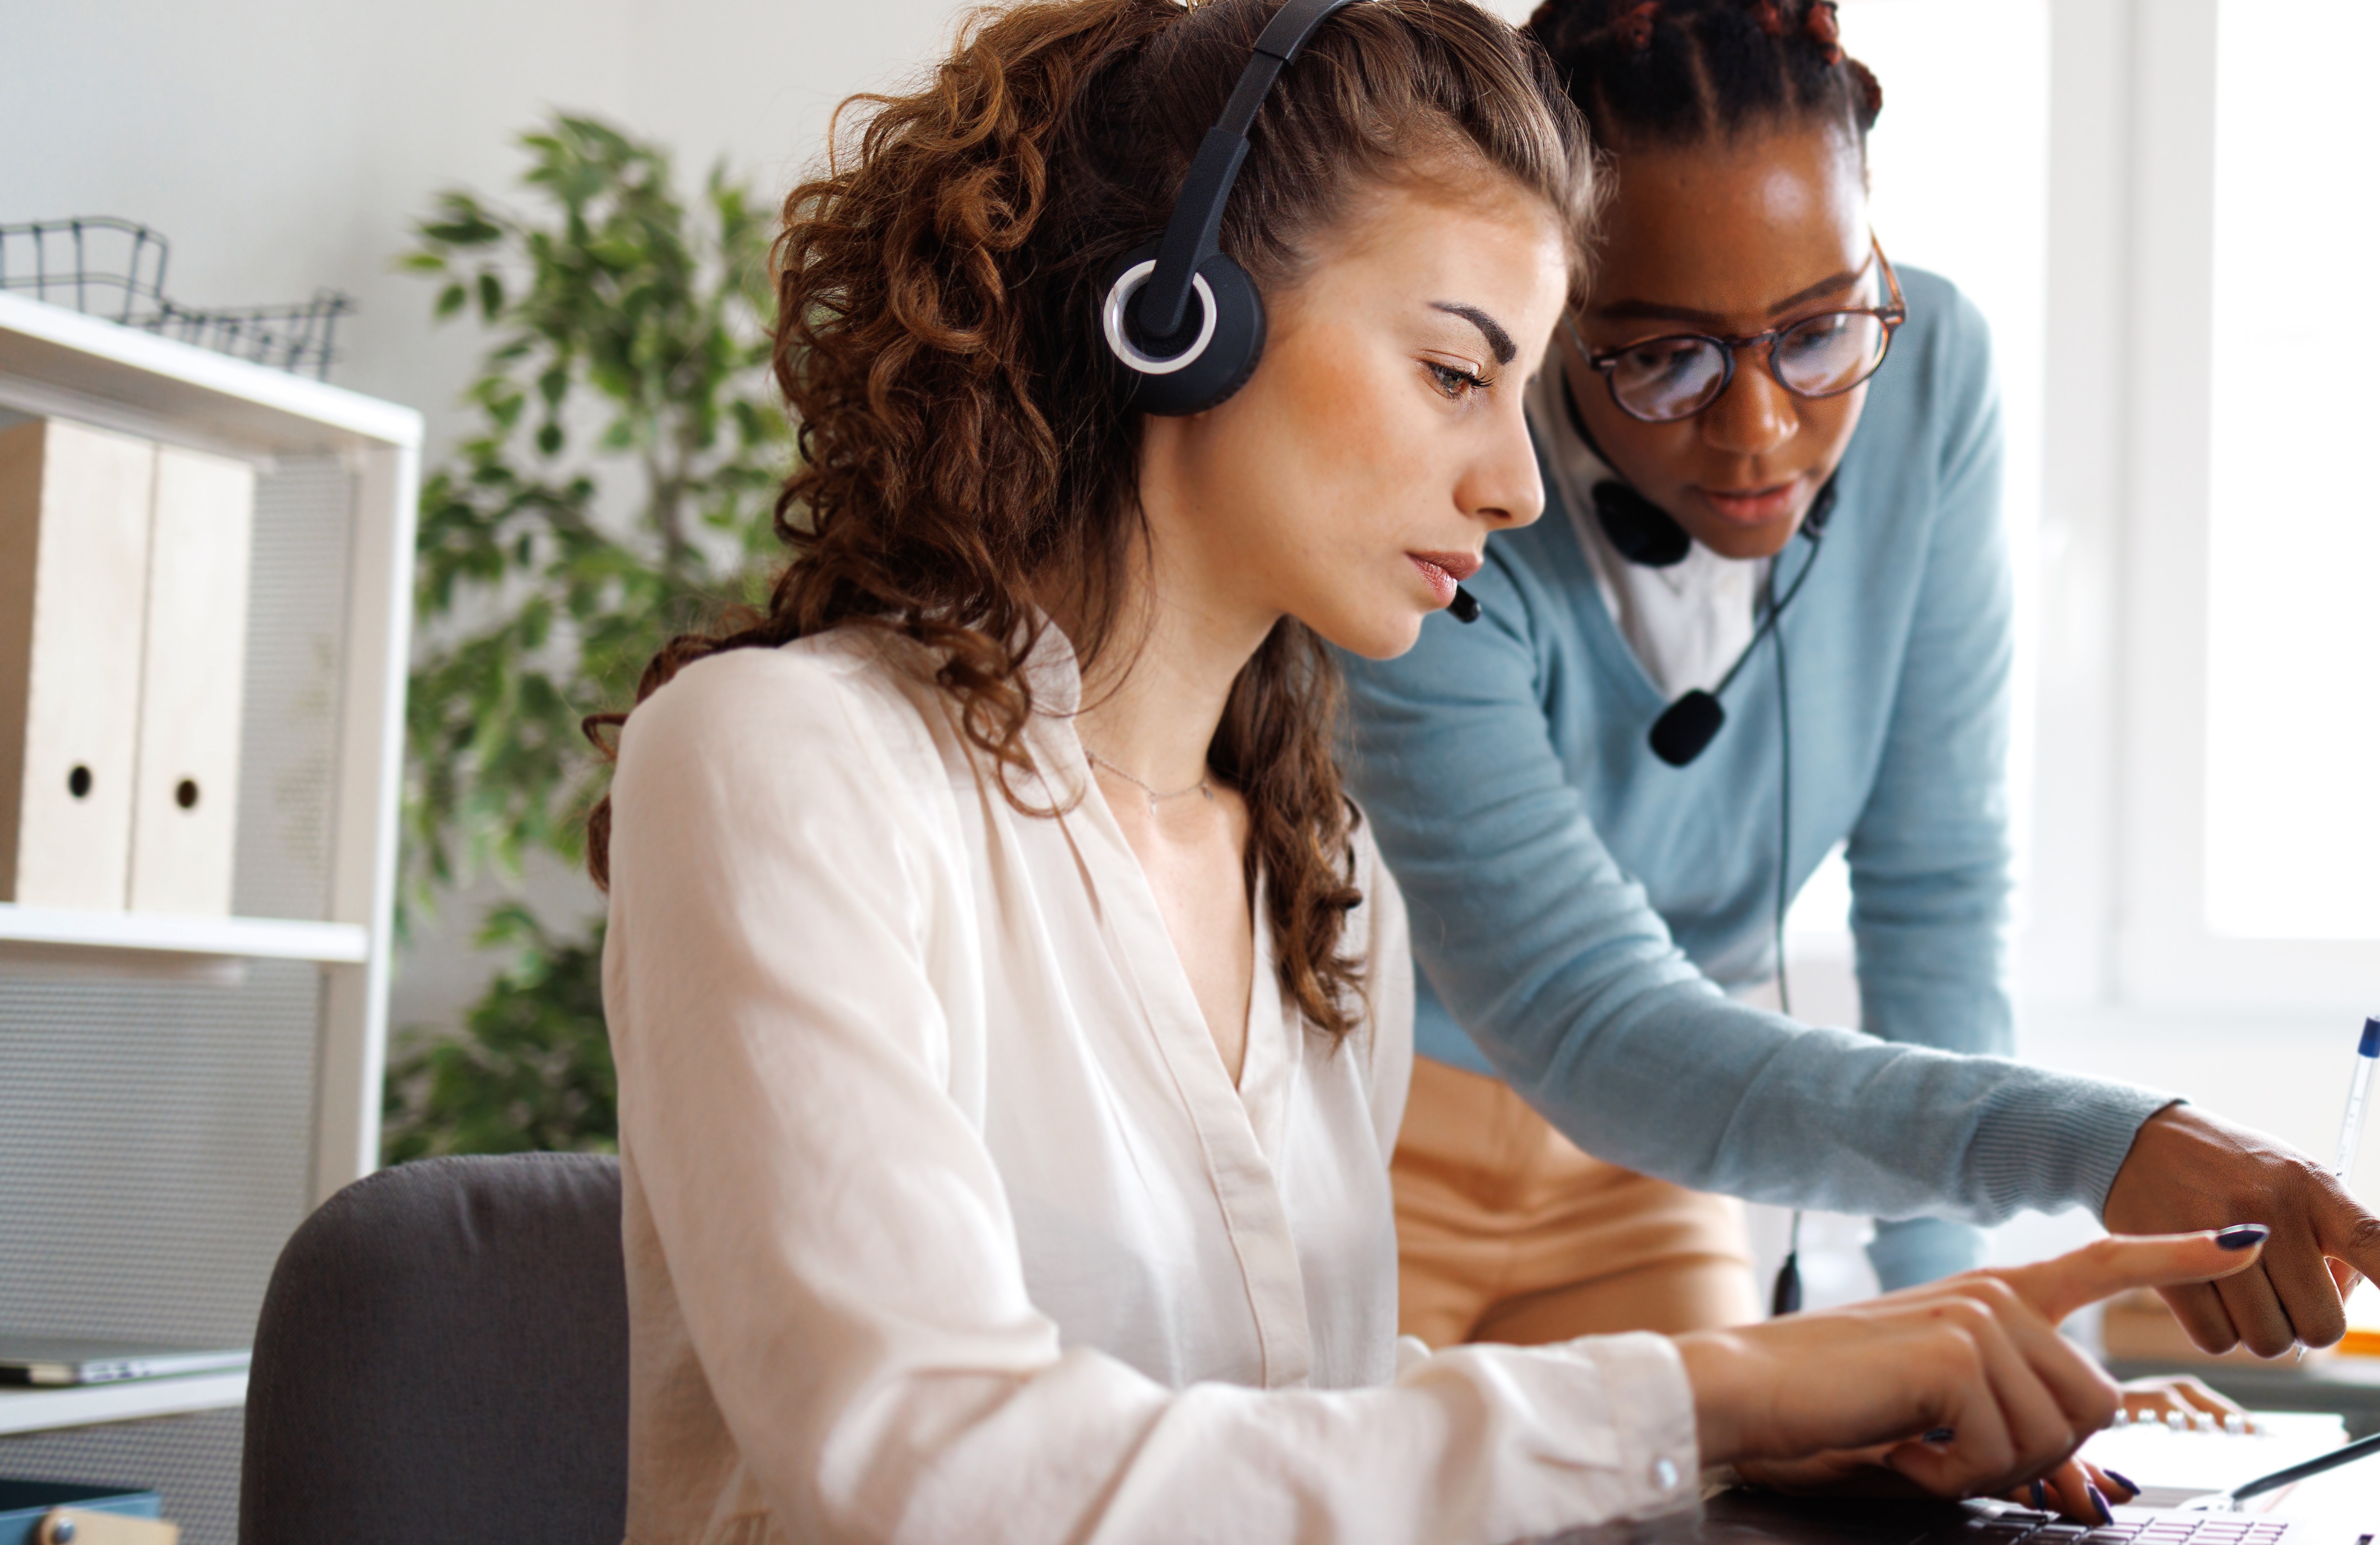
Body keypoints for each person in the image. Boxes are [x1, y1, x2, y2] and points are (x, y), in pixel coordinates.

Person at [591, 2, 2271, 1539]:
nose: (1517, 487)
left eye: (1523, 391)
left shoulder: (1311, 867)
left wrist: (1742, 1434)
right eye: (1457, 372)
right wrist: (1708, 1387)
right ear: (1183, 321)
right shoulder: (781, 763)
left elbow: (1274, 1430)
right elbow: (934, 1464)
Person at [1341, 0, 2380, 1390]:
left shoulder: (1934, 382)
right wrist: (2103, 1145)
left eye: (1816, 333)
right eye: (1664, 356)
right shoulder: (1444, 471)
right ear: (1554, 310)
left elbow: (1936, 893)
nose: (1762, 430)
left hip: (1643, 1155)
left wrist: (1986, 1320)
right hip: (1379, 1119)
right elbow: (1583, 1010)